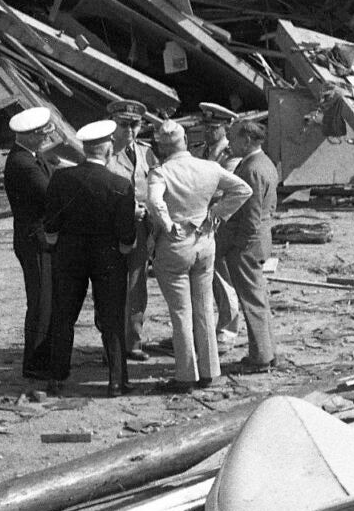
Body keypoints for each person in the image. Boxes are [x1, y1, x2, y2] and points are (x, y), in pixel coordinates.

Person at [142, 118, 251, 392]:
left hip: (175, 244)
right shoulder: (209, 167)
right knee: (204, 307)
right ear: (187, 142)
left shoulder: (161, 172)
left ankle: (185, 375)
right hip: (204, 240)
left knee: (181, 312)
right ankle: (210, 371)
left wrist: (168, 225)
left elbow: (154, 201)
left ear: (161, 147)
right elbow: (242, 190)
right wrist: (216, 214)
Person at [39, 120, 142, 396]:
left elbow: (50, 225)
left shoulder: (61, 179)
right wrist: (124, 247)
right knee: (111, 319)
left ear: (85, 149)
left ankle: (57, 377)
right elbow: (126, 233)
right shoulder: (120, 184)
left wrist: (58, 243)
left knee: (63, 316)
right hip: (107, 256)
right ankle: (117, 381)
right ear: (109, 150)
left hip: (69, 254)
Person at [212, 118, 280, 375]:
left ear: (248, 139)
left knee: (251, 301)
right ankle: (266, 351)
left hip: (246, 246)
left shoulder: (251, 168)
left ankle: (260, 357)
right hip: (258, 241)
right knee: (258, 299)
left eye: (233, 137)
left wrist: (236, 247)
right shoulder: (264, 163)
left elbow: (250, 217)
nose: (229, 142)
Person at [2, 106, 61, 382]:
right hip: (35, 242)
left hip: (37, 240)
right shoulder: (22, 164)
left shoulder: (32, 157)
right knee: (41, 304)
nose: (46, 138)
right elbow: (50, 194)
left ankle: (42, 358)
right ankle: (35, 365)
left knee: (45, 301)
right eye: (43, 134)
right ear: (30, 136)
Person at [108, 102, 157, 360]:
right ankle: (111, 345)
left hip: (140, 228)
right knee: (111, 285)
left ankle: (133, 342)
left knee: (137, 286)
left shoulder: (147, 153)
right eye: (123, 124)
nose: (129, 130)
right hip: (111, 228)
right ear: (113, 123)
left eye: (134, 124)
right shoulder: (103, 152)